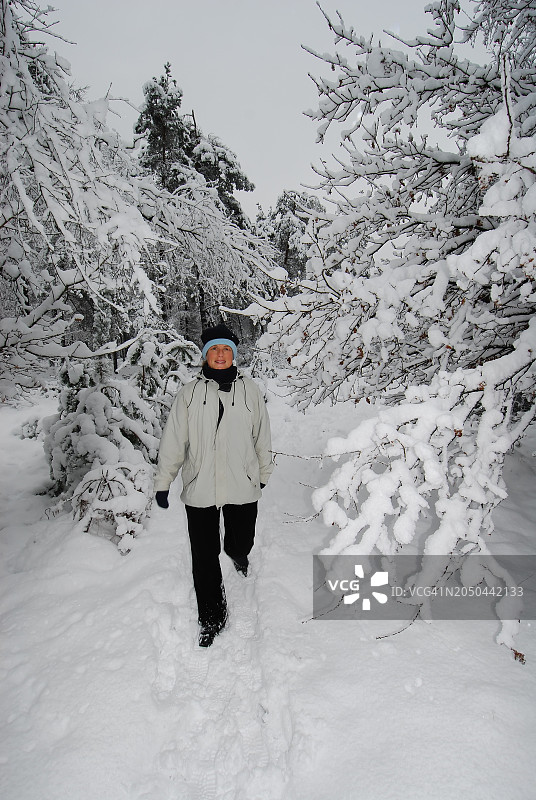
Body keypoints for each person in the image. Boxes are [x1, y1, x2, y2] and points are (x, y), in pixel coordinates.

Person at [154, 323, 273, 647]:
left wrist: (263, 472)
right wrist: (164, 481)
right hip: (201, 485)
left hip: (242, 483)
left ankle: (237, 554)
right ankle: (212, 616)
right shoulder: (189, 394)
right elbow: (174, 441)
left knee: (240, 540)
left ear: (233, 355)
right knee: (203, 556)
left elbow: (261, 435)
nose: (220, 355)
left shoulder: (250, 391)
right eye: (214, 350)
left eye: (226, 350)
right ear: (205, 355)